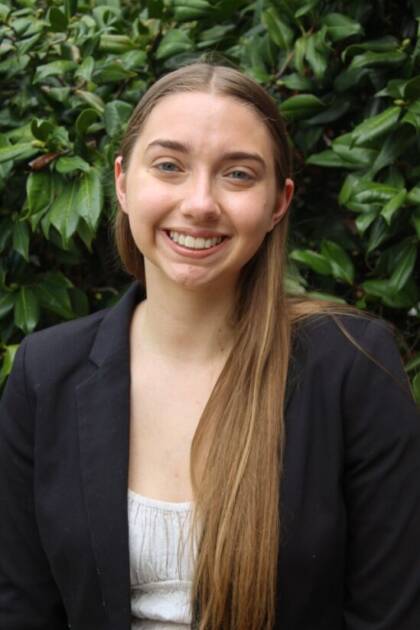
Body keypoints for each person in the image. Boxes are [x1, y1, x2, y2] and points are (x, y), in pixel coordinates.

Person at [0, 63, 419, 630]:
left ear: (278, 202)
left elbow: (390, 616)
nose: (200, 203)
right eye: (169, 166)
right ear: (123, 183)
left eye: (238, 175)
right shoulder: (45, 371)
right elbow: (22, 608)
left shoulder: (352, 366)